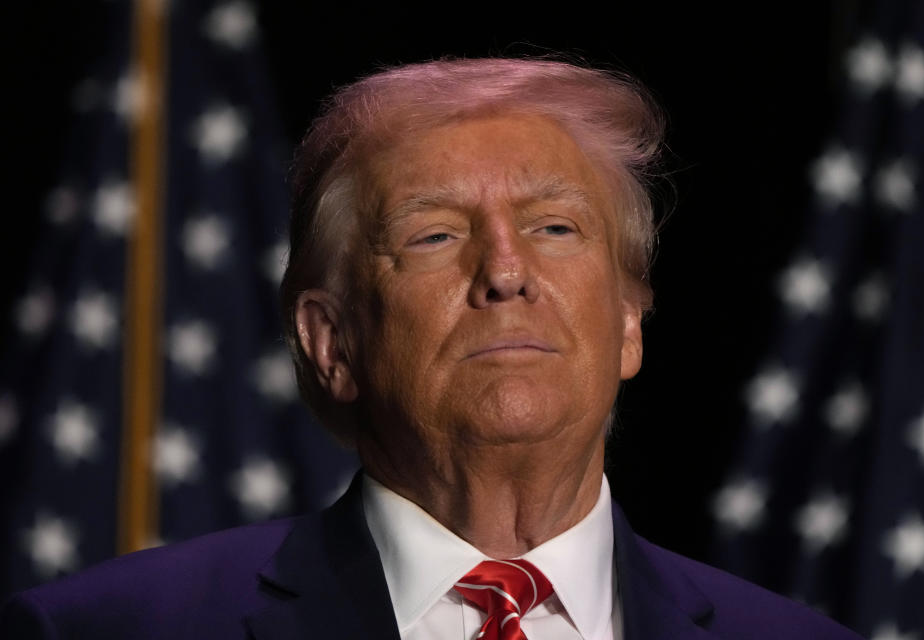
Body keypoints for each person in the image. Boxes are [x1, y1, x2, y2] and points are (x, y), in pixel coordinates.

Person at [0, 58, 863, 639]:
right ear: (330, 341)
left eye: (555, 227)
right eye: (435, 236)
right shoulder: (110, 629)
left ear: (629, 323)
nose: (506, 271)